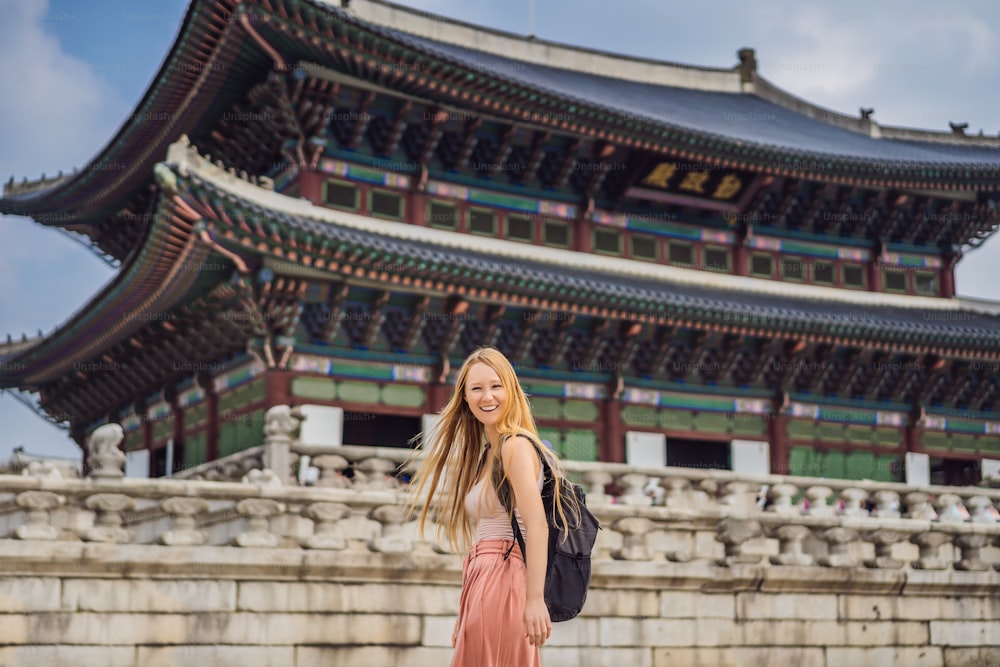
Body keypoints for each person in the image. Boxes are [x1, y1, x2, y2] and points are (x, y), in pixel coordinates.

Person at [406, 347, 580, 667]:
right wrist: (466, 609)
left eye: (496, 385)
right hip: (483, 575)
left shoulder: (514, 446)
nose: (488, 396)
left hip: (505, 575)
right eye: (477, 388)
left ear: (511, 390)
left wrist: (534, 599)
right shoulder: (490, 453)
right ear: (466, 399)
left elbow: (537, 525)